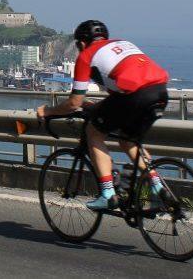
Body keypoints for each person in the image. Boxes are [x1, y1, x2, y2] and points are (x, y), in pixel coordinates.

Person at [37, 20, 169, 210]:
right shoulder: (123, 44)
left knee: (94, 133)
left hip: (134, 97)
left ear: (82, 43)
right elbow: (120, 91)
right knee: (128, 140)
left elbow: (74, 103)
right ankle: (158, 187)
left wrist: (48, 111)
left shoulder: (86, 56)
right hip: (160, 92)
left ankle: (108, 194)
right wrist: (96, 106)